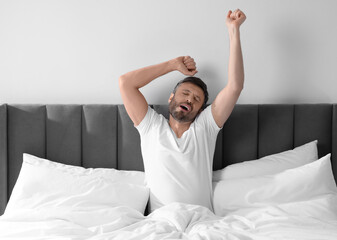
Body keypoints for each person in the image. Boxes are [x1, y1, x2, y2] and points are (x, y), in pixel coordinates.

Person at [119, 9, 246, 213]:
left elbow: (235, 87)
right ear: (171, 98)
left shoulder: (205, 128)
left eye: (196, 99)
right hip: (160, 222)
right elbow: (125, 83)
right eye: (185, 93)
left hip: (201, 221)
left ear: (200, 110)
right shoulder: (151, 126)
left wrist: (234, 31)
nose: (189, 99)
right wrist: (172, 65)